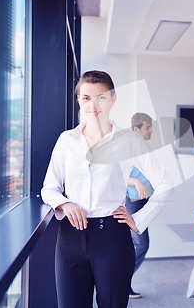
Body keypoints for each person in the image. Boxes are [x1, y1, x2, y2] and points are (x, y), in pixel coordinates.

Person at [41, 70, 173, 308]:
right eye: (86, 98)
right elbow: (48, 188)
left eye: (101, 97)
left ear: (113, 99)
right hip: (69, 238)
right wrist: (66, 204)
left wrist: (139, 219)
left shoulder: (130, 141)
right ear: (79, 101)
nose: (93, 105)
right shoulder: (66, 141)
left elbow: (165, 184)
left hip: (112, 237)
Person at [125, 112, 154, 299]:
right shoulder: (128, 149)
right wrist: (136, 182)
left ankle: (122, 282)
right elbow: (118, 175)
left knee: (137, 245)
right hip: (133, 203)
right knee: (142, 244)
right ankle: (121, 281)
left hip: (142, 202)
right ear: (136, 129)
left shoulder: (142, 147)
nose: (151, 131)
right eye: (148, 127)